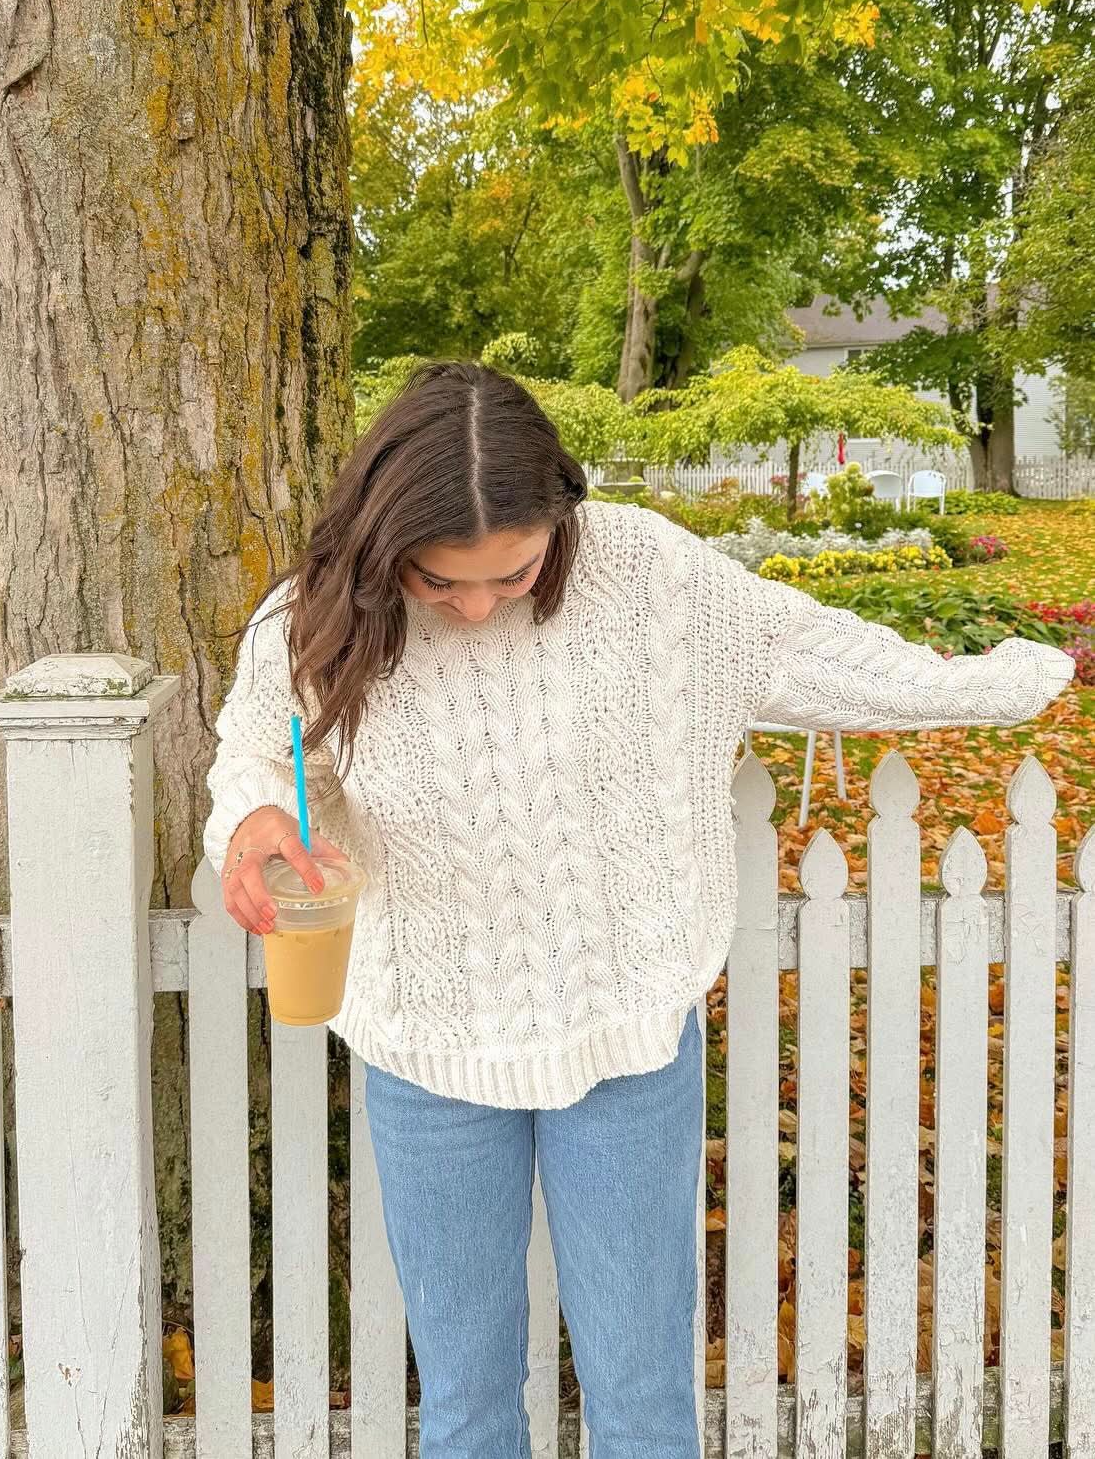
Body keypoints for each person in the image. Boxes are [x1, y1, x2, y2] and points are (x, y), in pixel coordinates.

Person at [202, 359, 1074, 1459]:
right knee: (465, 1403)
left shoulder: (650, 574)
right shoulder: (313, 613)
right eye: (440, 581)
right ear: (387, 543)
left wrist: (995, 684)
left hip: (627, 1029)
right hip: (423, 1041)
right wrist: (257, 817)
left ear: (559, 518)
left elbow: (812, 652)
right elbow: (260, 751)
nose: (475, 607)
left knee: (643, 1396)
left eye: (511, 575)